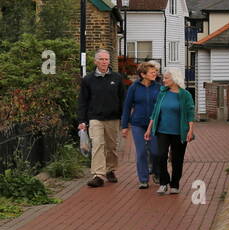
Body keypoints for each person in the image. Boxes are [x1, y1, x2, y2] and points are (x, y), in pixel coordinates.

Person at [77, 48, 125, 188]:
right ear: (95, 61)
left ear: (109, 61)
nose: (104, 62)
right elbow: (83, 101)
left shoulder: (117, 78)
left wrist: (125, 119)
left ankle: (110, 169)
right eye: (101, 59)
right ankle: (98, 175)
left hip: (113, 118)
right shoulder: (88, 79)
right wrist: (82, 120)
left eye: (106, 59)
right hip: (95, 117)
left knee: (111, 147)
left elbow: (123, 99)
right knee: (97, 144)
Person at [144, 68, 195, 195]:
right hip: (162, 131)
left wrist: (190, 130)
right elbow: (155, 112)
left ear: (174, 79)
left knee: (177, 159)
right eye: (164, 78)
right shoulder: (162, 93)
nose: (163, 80)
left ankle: (175, 184)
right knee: (160, 155)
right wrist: (149, 129)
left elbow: (190, 113)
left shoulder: (185, 95)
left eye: (166, 78)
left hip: (179, 132)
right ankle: (163, 183)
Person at [119, 61, 163, 189]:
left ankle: (156, 171)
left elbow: (162, 106)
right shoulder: (134, 87)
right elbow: (127, 107)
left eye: (155, 72)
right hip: (138, 124)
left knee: (155, 152)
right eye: (151, 72)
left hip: (155, 124)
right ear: (143, 74)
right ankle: (143, 179)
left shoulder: (158, 87)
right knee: (141, 152)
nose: (155, 74)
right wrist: (124, 126)